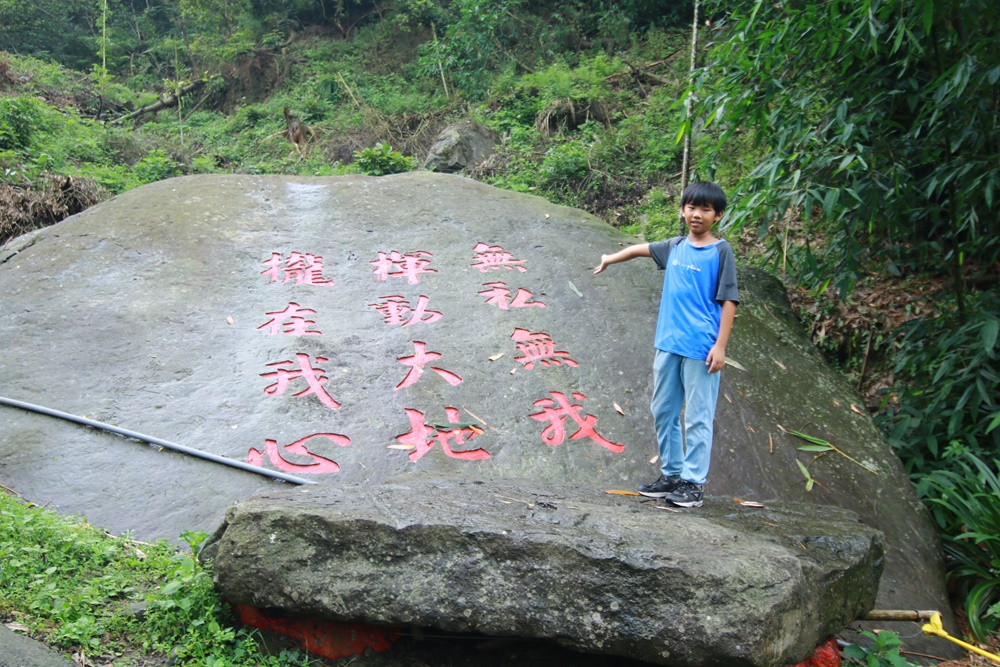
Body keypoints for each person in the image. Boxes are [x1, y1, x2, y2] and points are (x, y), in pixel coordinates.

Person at [593, 181, 739, 507]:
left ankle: (693, 483)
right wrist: (608, 258)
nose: (696, 214)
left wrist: (721, 346)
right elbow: (637, 250)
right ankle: (672, 473)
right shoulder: (674, 247)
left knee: (697, 416)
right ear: (682, 209)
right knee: (663, 410)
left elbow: (729, 300)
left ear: (717, 215)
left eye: (705, 209)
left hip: (701, 348)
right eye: (691, 207)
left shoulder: (720, 251)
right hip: (668, 344)